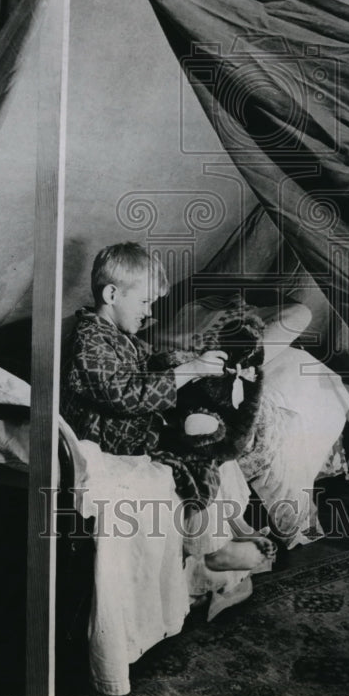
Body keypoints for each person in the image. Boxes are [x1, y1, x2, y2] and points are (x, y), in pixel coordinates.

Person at [62, 241, 273, 576]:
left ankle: (235, 522)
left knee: (217, 448)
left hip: (133, 429)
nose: (149, 312)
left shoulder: (117, 335)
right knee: (195, 457)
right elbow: (124, 394)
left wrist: (196, 367)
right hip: (109, 438)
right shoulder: (89, 339)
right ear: (112, 295)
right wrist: (187, 371)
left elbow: (151, 364)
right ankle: (212, 550)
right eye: (144, 301)